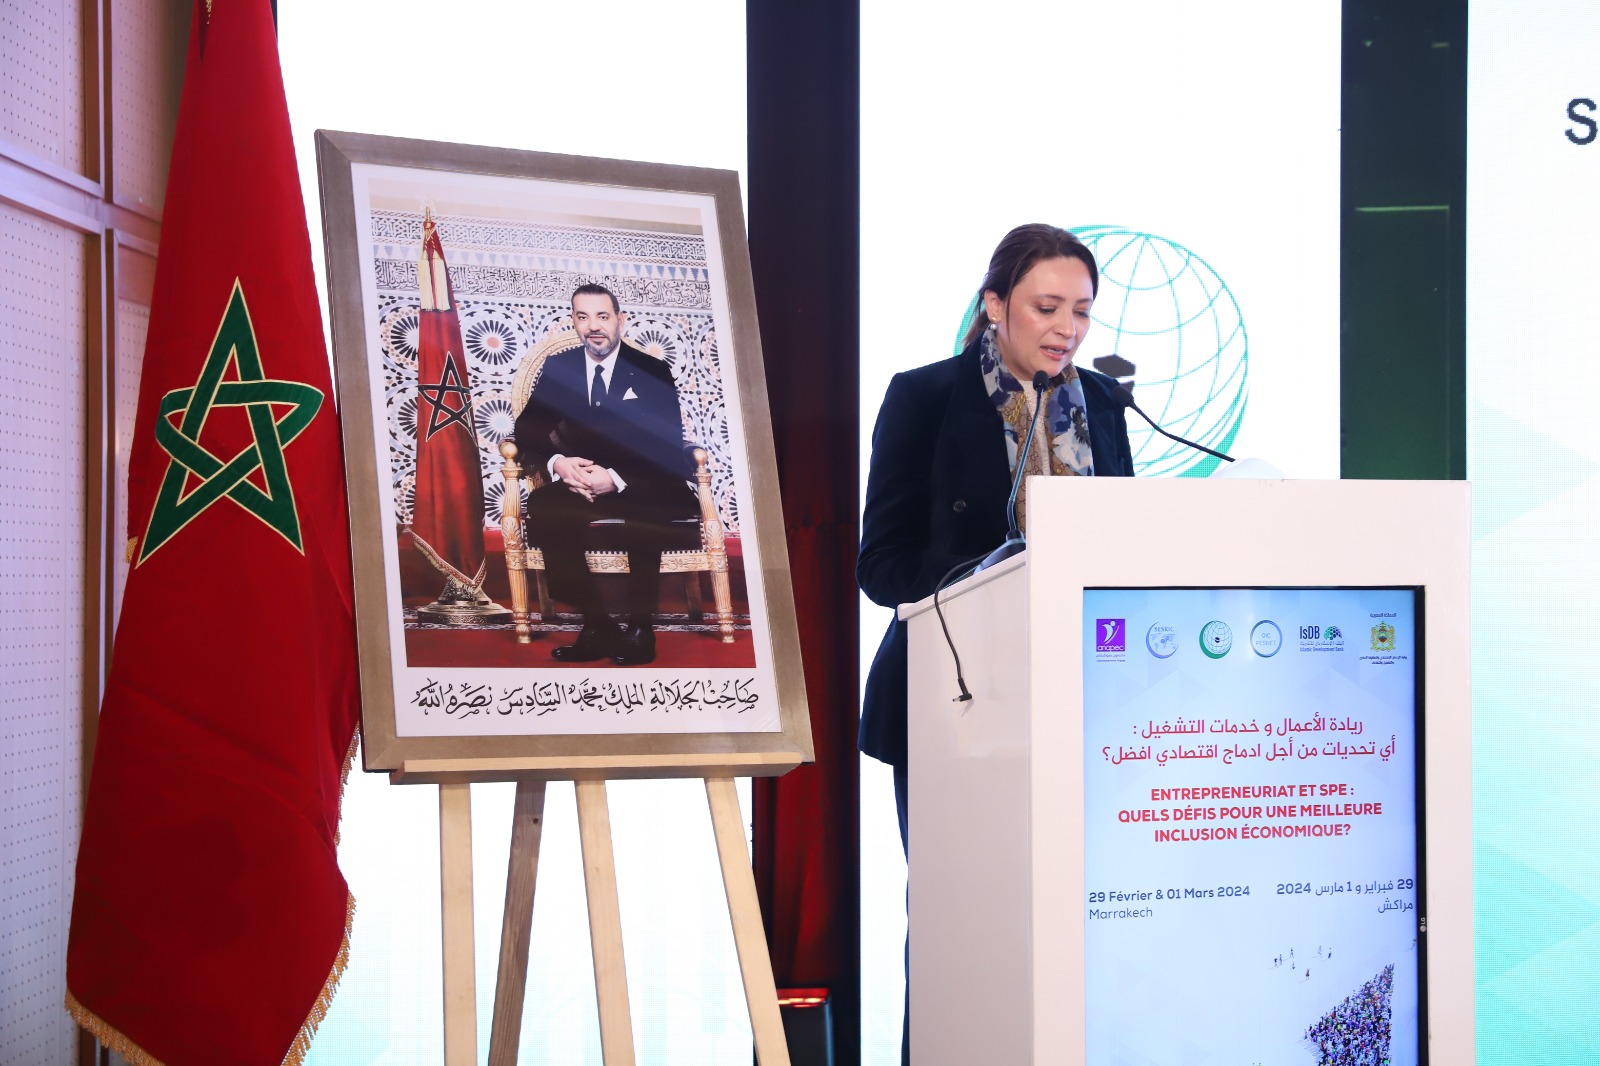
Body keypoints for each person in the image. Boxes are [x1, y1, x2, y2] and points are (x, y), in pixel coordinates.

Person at [857, 223, 1135, 1062]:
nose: (1067, 329)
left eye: (1082, 311)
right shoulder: (925, 397)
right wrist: (986, 580)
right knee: (961, 922)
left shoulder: (1104, 405)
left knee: (1077, 920)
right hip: (958, 702)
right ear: (993, 305)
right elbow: (881, 565)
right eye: (1047, 307)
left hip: (1083, 707)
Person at [512, 283, 697, 665]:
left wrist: (614, 478)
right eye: (583, 317)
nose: (593, 326)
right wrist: (560, 464)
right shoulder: (561, 367)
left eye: (602, 316)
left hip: (644, 479)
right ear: (574, 322)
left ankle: (641, 628)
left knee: (644, 510)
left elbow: (665, 442)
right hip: (582, 480)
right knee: (546, 505)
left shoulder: (651, 369)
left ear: (619, 320)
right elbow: (527, 428)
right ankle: (597, 624)